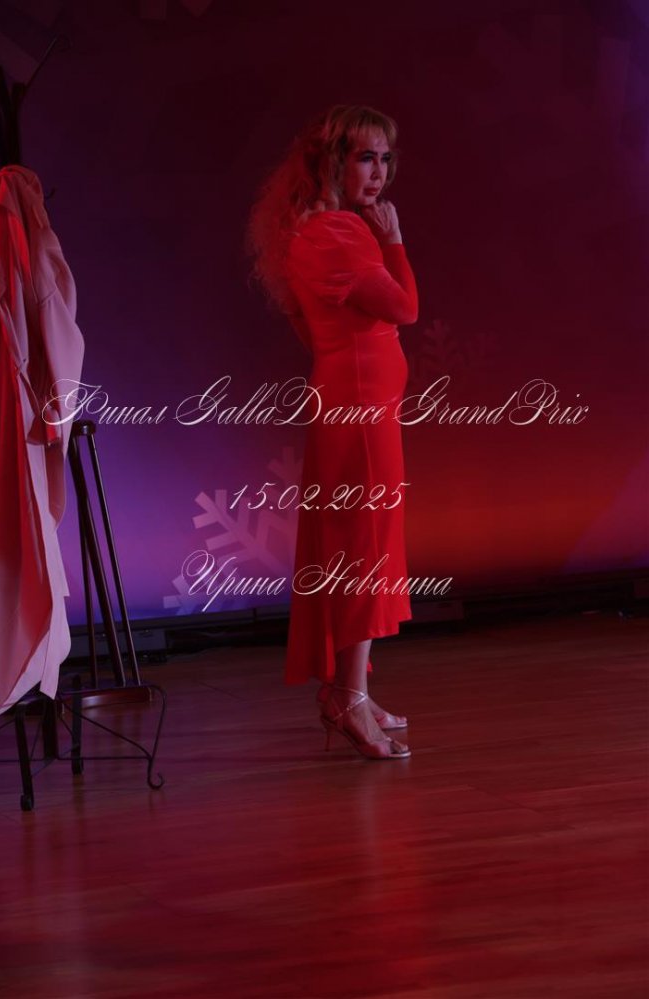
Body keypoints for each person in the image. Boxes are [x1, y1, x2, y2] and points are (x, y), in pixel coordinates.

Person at [246, 105, 419, 760]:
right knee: (363, 549)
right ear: (333, 162)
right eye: (365, 157)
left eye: (385, 158)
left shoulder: (311, 232)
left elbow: (311, 331)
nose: (379, 172)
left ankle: (349, 690)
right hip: (361, 412)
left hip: (353, 402)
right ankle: (348, 697)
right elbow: (405, 307)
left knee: (355, 545)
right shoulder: (340, 233)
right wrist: (394, 240)